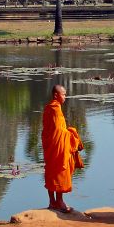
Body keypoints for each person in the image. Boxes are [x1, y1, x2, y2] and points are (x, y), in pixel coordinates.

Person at [41, 84, 83, 213]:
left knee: (51, 171)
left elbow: (48, 131)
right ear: (56, 95)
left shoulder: (48, 108)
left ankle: (52, 202)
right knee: (59, 171)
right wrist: (72, 133)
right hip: (57, 147)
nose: (65, 96)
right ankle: (59, 202)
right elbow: (59, 131)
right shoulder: (55, 109)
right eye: (63, 94)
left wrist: (67, 131)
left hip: (51, 146)